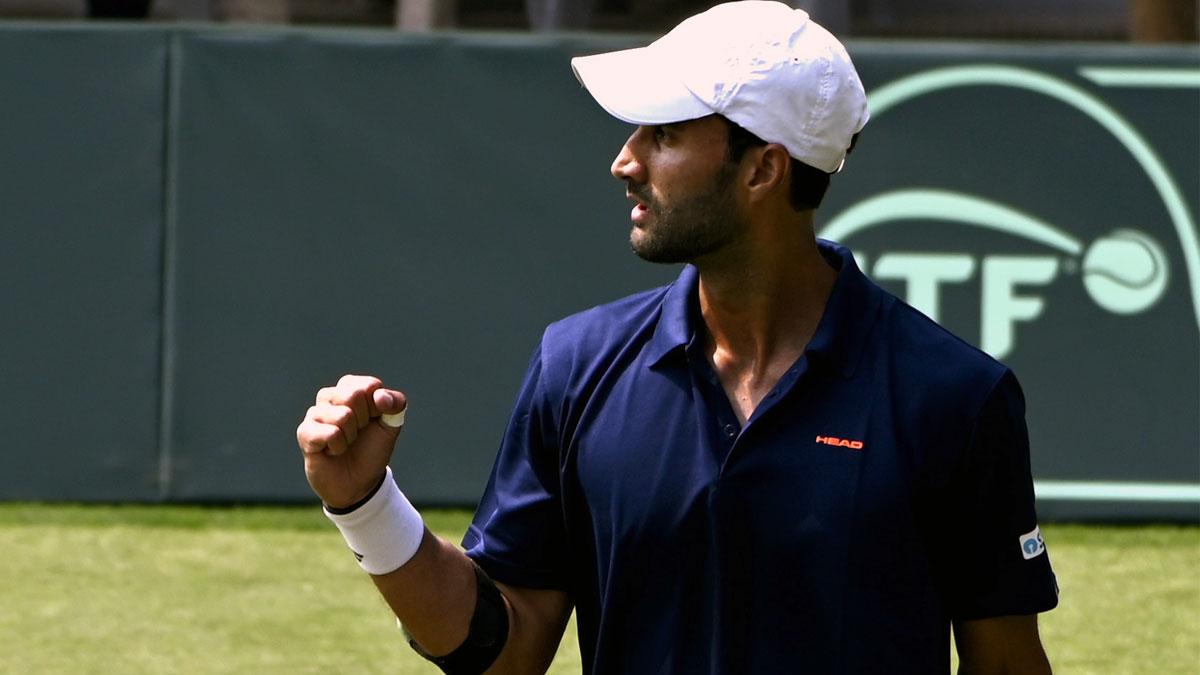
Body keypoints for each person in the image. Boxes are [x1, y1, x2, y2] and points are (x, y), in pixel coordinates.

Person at [295, 2, 1059, 673]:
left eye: (664, 134)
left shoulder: (954, 397)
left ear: (763, 169)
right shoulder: (576, 364)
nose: (624, 160)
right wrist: (365, 505)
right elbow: (507, 649)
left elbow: (1005, 663)